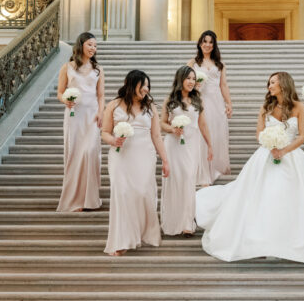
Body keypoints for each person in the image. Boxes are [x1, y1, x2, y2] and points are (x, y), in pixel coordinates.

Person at [195, 71, 304, 262]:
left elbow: (302, 136)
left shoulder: (299, 107)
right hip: (266, 156)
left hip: (291, 156)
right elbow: (259, 133)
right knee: (263, 196)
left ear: (283, 84)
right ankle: (258, 241)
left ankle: (288, 239)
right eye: (269, 83)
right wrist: (270, 145)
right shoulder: (265, 107)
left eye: (273, 83)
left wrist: (284, 150)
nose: (269, 86)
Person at [100, 70, 170, 256]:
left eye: (148, 85)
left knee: (142, 193)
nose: (146, 89)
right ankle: (121, 241)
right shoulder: (114, 105)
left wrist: (165, 159)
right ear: (132, 84)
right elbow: (105, 132)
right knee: (121, 194)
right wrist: (113, 140)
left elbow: (156, 135)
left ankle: (143, 232)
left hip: (144, 156)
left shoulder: (150, 107)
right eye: (143, 85)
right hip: (120, 155)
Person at [159, 65, 214, 236]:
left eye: (193, 78)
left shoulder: (198, 100)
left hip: (192, 144)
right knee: (174, 181)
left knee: (189, 180)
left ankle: (188, 223)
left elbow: (202, 124)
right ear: (180, 79)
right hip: (173, 145)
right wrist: (172, 130)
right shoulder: (170, 100)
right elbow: (162, 123)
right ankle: (173, 220)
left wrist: (210, 145)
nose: (191, 82)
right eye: (188, 78)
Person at [56, 32, 104, 212]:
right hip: (74, 115)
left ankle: (90, 199)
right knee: (75, 154)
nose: (93, 48)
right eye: (90, 44)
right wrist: (65, 101)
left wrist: (101, 112)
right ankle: (75, 200)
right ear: (81, 45)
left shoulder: (98, 69)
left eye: (95, 46)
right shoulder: (67, 67)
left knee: (90, 152)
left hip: (91, 116)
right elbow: (60, 92)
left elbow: (100, 95)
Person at [189, 31, 233, 185]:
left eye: (210, 42)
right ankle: (202, 173)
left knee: (215, 134)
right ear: (200, 43)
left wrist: (228, 103)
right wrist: (196, 86)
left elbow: (223, 85)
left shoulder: (220, 64)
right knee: (201, 135)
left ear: (214, 45)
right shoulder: (192, 63)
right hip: (200, 101)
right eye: (204, 41)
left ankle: (213, 169)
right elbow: (184, 84)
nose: (207, 45)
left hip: (216, 102)